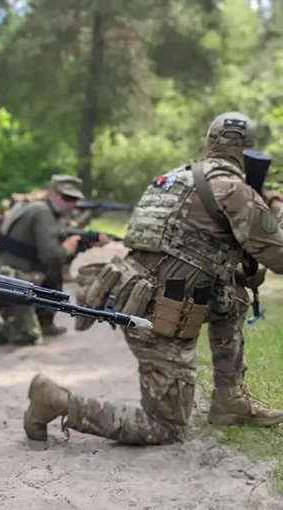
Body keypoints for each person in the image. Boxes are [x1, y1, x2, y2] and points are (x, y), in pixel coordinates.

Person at [24, 112, 283, 447]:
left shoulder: (176, 178)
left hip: (140, 294)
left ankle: (228, 399)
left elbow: (191, 247)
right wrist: (275, 209)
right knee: (165, 427)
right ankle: (56, 402)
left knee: (232, 296)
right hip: (161, 315)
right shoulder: (235, 191)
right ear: (249, 151)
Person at [0, 175, 109, 346]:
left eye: (74, 199)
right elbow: (52, 255)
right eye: (66, 198)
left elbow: (54, 255)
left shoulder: (45, 210)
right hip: (8, 278)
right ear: (52, 194)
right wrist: (69, 246)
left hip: (17, 273)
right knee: (27, 337)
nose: (70, 203)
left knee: (52, 273)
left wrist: (84, 244)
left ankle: (44, 323)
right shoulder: (43, 213)